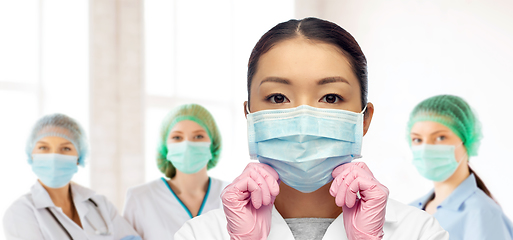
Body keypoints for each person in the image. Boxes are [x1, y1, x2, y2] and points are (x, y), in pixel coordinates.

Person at [175, 17, 448, 240]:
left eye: (330, 98)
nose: (303, 122)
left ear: (364, 119)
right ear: (250, 116)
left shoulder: (420, 233)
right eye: (278, 98)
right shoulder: (199, 235)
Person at [3, 113, 140, 240]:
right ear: (31, 155)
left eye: (66, 148)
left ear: (79, 157)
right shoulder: (20, 213)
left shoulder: (100, 204)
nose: (54, 157)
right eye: (43, 148)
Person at [407, 95, 513, 239]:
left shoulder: (483, 214)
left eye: (440, 137)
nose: (426, 148)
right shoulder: (411, 211)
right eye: (417, 139)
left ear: (467, 140)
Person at [123, 104, 228, 240]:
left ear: (213, 144)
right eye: (177, 137)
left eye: (198, 136)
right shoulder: (140, 198)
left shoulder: (233, 196)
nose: (187, 145)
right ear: (164, 146)